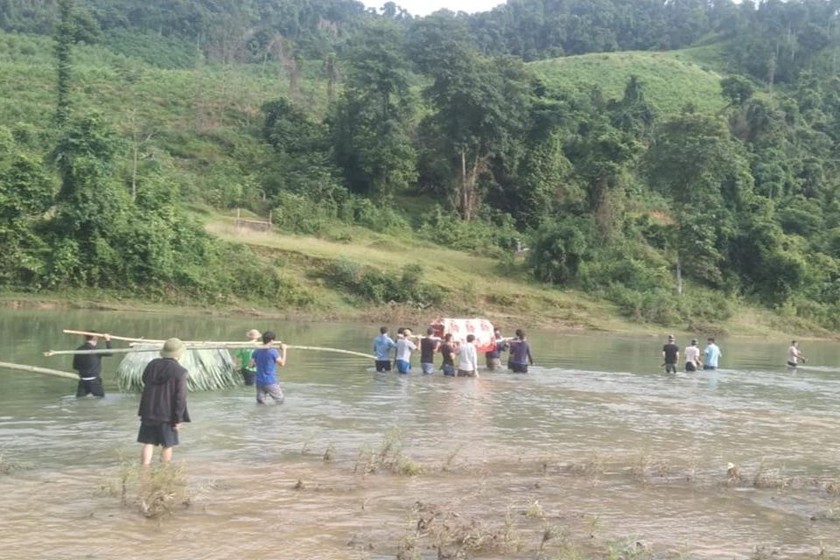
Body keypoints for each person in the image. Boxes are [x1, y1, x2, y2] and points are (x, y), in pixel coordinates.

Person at [137, 338, 190, 466]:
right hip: (167, 415)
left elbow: (144, 379)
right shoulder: (180, 371)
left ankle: (144, 470)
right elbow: (180, 398)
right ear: (178, 354)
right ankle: (165, 471)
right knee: (167, 444)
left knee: (148, 442)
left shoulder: (152, 364)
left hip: (148, 410)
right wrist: (178, 419)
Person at [73, 332, 113, 397]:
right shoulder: (96, 350)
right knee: (101, 399)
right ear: (96, 339)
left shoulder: (78, 350)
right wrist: (108, 340)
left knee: (79, 401)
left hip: (83, 381)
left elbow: (75, 366)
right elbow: (110, 353)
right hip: (94, 382)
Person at [252, 331, 287, 404]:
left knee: (260, 403)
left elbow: (252, 364)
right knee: (280, 401)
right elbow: (282, 364)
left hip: (259, 382)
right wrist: (284, 350)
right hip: (270, 381)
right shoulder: (273, 351)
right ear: (272, 340)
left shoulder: (256, 351)